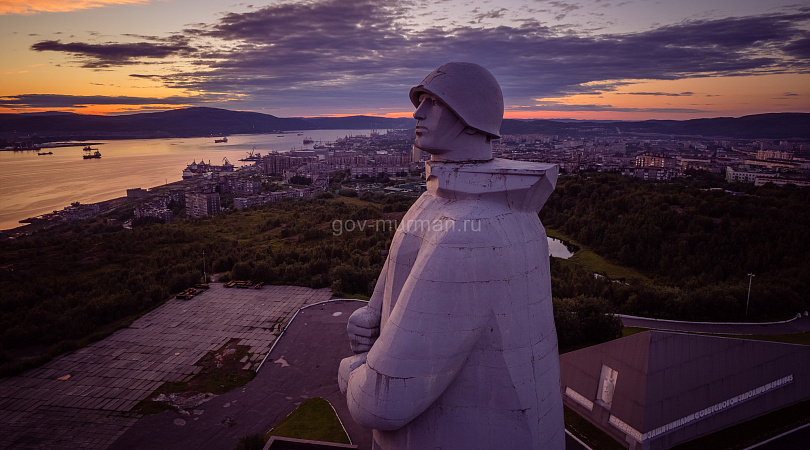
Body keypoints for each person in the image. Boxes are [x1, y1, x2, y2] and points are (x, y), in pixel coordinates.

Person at [338, 62, 564, 449]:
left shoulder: (468, 230)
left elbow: (381, 402)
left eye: (432, 102)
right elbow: (399, 277)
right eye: (419, 101)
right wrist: (371, 314)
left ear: (468, 115)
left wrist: (351, 371)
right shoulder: (437, 202)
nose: (417, 112)